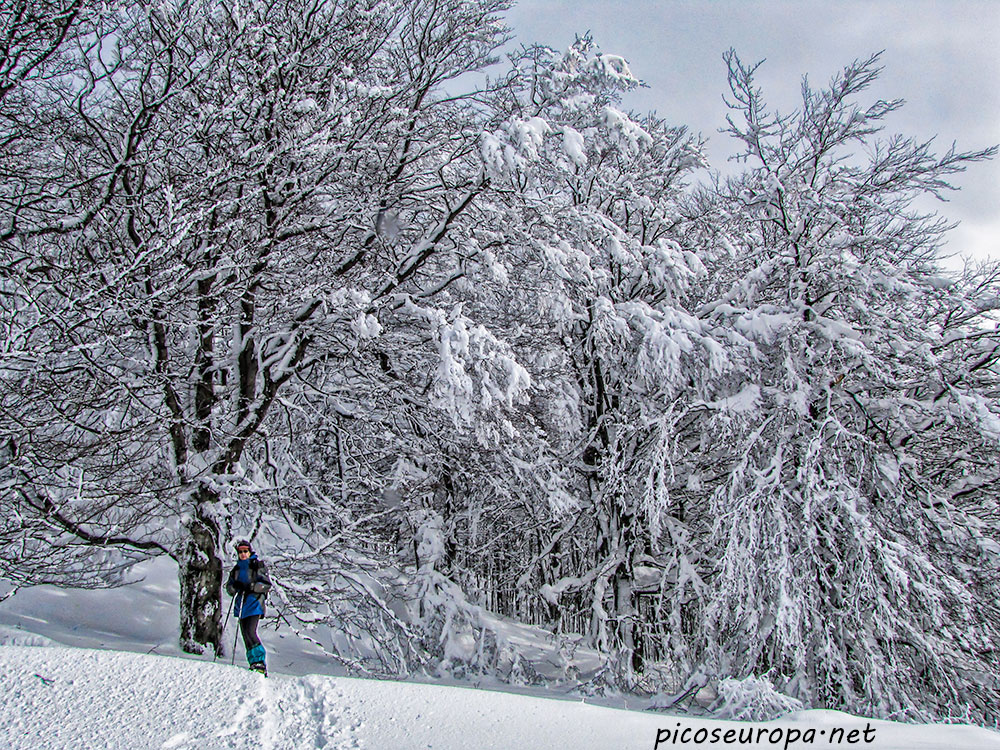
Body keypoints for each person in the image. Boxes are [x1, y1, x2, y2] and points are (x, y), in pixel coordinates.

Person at [225, 539, 272, 676]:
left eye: (245, 551)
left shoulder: (258, 566)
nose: (243, 554)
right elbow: (229, 587)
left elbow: (266, 585)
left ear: (250, 551)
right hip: (241, 605)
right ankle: (253, 662)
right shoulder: (236, 569)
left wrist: (252, 587)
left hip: (255, 603)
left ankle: (260, 661)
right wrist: (235, 588)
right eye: (240, 552)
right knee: (245, 634)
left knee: (251, 631)